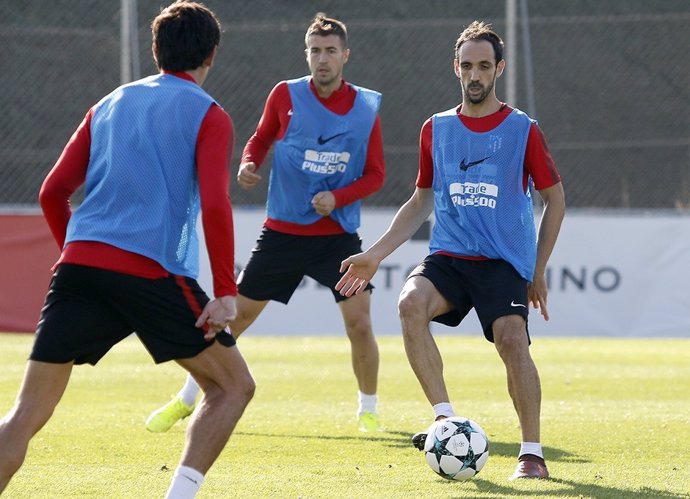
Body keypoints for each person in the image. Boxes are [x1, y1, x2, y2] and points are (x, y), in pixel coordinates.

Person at [0, 3, 255, 498]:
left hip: (79, 268)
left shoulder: (109, 102)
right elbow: (217, 204)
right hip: (151, 271)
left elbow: (52, 193)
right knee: (232, 387)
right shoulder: (209, 113)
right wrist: (225, 290)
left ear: (156, 50)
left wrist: (76, 253)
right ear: (212, 55)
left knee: (26, 414)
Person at [336, 21, 565, 480]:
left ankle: (531, 454)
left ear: (499, 68)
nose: (474, 74)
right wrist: (376, 253)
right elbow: (421, 200)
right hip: (451, 256)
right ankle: (444, 419)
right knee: (408, 303)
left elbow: (555, 198)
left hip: (501, 261)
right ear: (455, 68)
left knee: (512, 340)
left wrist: (538, 269)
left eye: (484, 65)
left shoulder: (522, 129)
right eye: (467, 66)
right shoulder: (435, 128)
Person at [145, 14, 386, 434]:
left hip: (337, 239)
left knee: (361, 325)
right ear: (306, 54)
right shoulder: (285, 94)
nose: (322, 59)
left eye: (331, 51)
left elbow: (377, 174)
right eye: (315, 50)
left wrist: (339, 198)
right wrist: (249, 163)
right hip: (282, 235)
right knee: (232, 320)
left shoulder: (365, 106)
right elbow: (260, 138)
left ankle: (369, 411)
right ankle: (186, 399)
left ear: (345, 55)